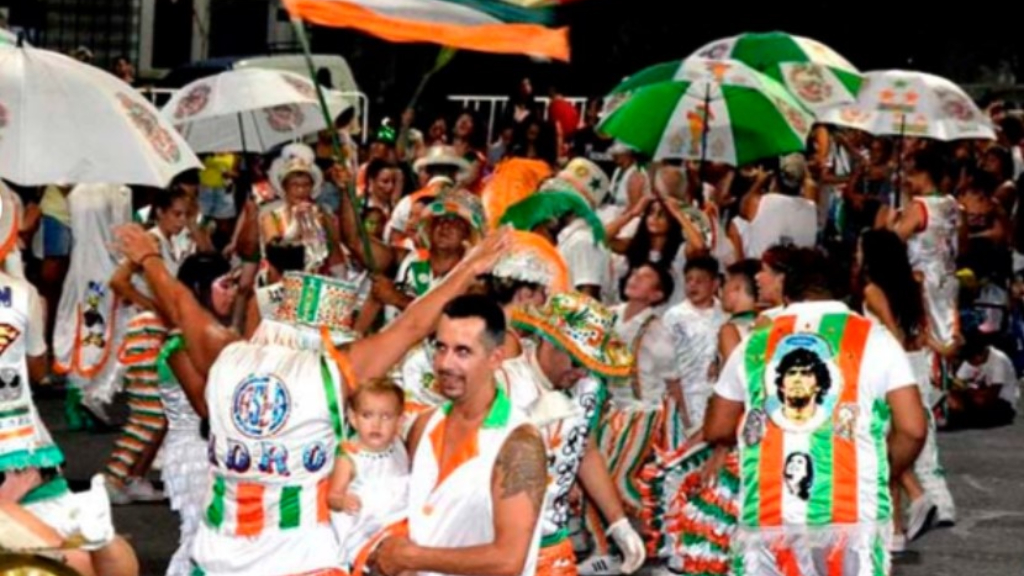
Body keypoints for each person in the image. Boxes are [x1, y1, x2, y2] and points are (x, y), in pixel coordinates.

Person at [111, 222, 512, 576]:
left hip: (219, 555)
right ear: (326, 338)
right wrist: (469, 268)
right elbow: (411, 327)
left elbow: (181, 305)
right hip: (301, 560)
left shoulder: (226, 355)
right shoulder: (331, 374)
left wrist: (148, 257)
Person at [705, 247, 928, 575]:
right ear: (845, 289)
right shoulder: (874, 338)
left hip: (770, 513)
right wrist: (881, 468)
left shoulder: (754, 341)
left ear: (788, 290)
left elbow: (718, 427)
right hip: (852, 514)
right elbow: (912, 429)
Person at [371, 295, 545, 576]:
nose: (445, 364)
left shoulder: (519, 443)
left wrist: (413, 558)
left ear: (495, 358)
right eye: (441, 348)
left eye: (463, 352)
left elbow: (508, 560)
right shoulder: (424, 425)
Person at [511, 293, 645, 576]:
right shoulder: (507, 381)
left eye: (590, 364)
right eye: (575, 361)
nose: (582, 373)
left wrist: (618, 523)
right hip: (501, 537)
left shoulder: (588, 387)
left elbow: (586, 450)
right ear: (549, 342)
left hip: (553, 537)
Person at [580, 264, 677, 573]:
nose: (635, 278)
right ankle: (604, 549)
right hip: (611, 411)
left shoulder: (656, 328)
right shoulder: (608, 316)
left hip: (643, 412)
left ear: (657, 294)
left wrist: (685, 424)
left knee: (618, 481)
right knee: (590, 481)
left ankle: (660, 531)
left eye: (646, 277)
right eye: (636, 273)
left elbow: (673, 382)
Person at [105, 189, 196, 503]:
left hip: (164, 330)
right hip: (147, 330)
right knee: (149, 412)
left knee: (162, 412)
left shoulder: (176, 242)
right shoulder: (152, 241)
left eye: (186, 214)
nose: (182, 221)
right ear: (159, 212)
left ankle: (134, 476)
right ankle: (113, 477)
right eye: (176, 214)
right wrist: (152, 306)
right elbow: (118, 281)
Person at [157, 252, 238, 576]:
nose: (231, 293)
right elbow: (206, 407)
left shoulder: (213, 337)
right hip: (193, 452)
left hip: (214, 449)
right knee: (199, 539)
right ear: (198, 290)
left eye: (233, 285)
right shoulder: (179, 346)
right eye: (224, 285)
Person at [52, 184, 134, 430]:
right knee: (105, 330)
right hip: (105, 271)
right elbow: (121, 239)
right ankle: (91, 397)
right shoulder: (120, 192)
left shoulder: (77, 191)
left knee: (78, 327)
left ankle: (76, 397)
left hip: (79, 270)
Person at [329, 380, 410, 576]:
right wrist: (342, 500)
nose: (376, 424)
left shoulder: (398, 444)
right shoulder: (350, 456)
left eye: (386, 417)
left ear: (400, 422)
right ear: (353, 418)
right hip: (366, 526)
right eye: (367, 415)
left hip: (400, 518)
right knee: (400, 562)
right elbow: (332, 496)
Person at [950, 332, 1019, 429]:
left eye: (972, 360)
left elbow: (990, 396)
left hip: (1002, 403)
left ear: (980, 355)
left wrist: (969, 391)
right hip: (978, 396)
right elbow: (956, 383)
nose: (970, 364)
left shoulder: (999, 360)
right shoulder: (971, 359)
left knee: (980, 409)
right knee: (955, 403)